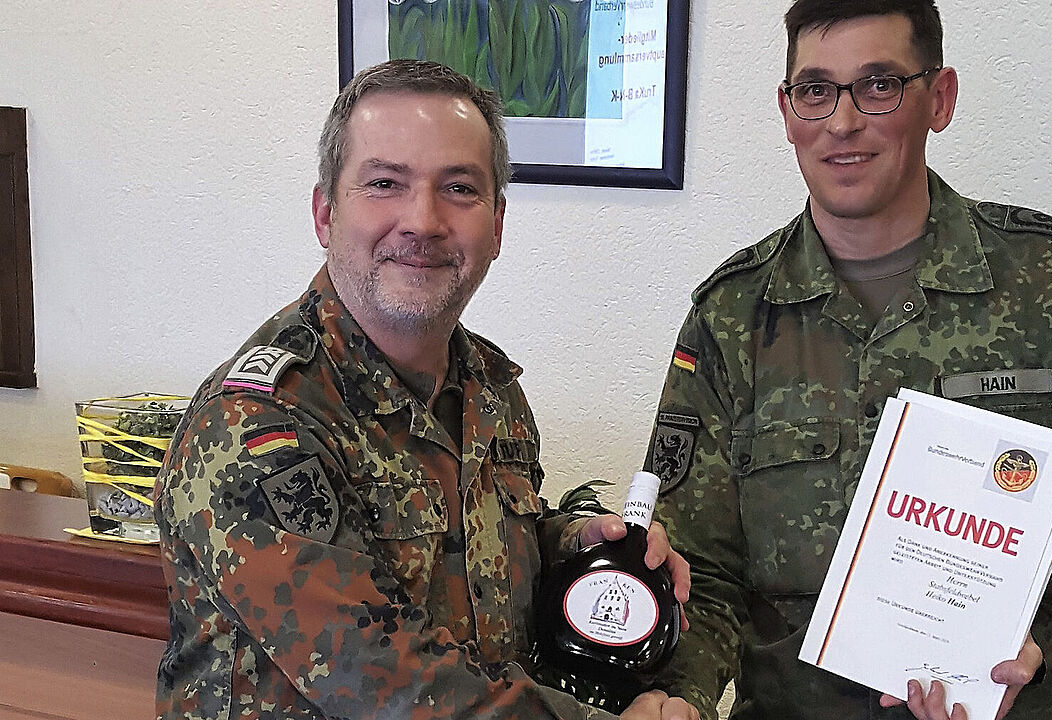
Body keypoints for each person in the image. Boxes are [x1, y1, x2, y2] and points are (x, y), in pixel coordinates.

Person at [642, 2, 1052, 719]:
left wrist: (1045, 638)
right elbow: (700, 573)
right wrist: (678, 694)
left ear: (938, 100)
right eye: (816, 90)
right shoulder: (732, 317)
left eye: (878, 85)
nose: (843, 122)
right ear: (787, 112)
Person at [153, 59, 698, 720]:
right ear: (326, 213)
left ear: (497, 223)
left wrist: (583, 549)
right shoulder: (256, 422)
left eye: (460, 188)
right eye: (385, 182)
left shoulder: (489, 388)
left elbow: (470, 553)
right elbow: (381, 679)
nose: (423, 220)